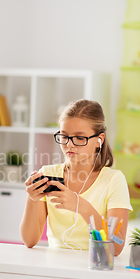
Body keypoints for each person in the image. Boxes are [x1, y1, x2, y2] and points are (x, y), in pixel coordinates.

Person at [20, 99, 132, 256]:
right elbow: (29, 241)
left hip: (97, 267)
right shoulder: (48, 174)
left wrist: (81, 206)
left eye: (80, 138)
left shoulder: (114, 180)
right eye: (64, 136)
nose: (69, 145)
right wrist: (32, 199)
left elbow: (117, 246)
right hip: (55, 267)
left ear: (99, 140)